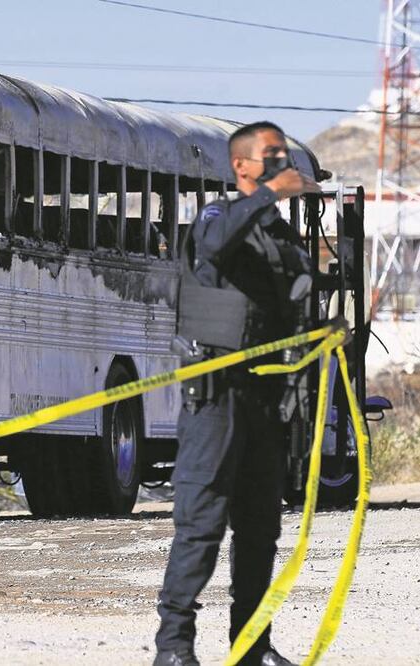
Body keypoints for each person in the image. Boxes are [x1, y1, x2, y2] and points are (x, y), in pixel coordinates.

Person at [153, 122, 320, 666]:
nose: (280, 162)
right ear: (242, 167)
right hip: (216, 396)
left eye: (284, 155)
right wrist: (272, 193)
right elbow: (217, 247)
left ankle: (252, 647)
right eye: (270, 155)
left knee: (259, 529)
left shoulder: (281, 235)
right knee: (201, 527)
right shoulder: (217, 218)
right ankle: (174, 648)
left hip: (266, 399)